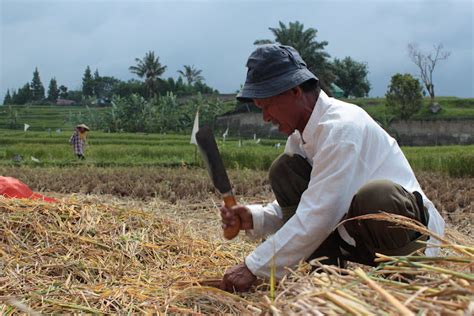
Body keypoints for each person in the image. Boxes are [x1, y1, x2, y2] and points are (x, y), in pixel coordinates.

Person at [219, 44, 445, 292]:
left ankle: (406, 283)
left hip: (405, 237)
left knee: (377, 196)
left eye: (267, 106)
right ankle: (327, 279)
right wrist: (255, 217)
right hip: (357, 237)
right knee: (285, 170)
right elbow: (313, 200)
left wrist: (253, 267)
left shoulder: (342, 129)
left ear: (294, 91)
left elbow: (320, 212)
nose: (265, 118)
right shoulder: (300, 138)